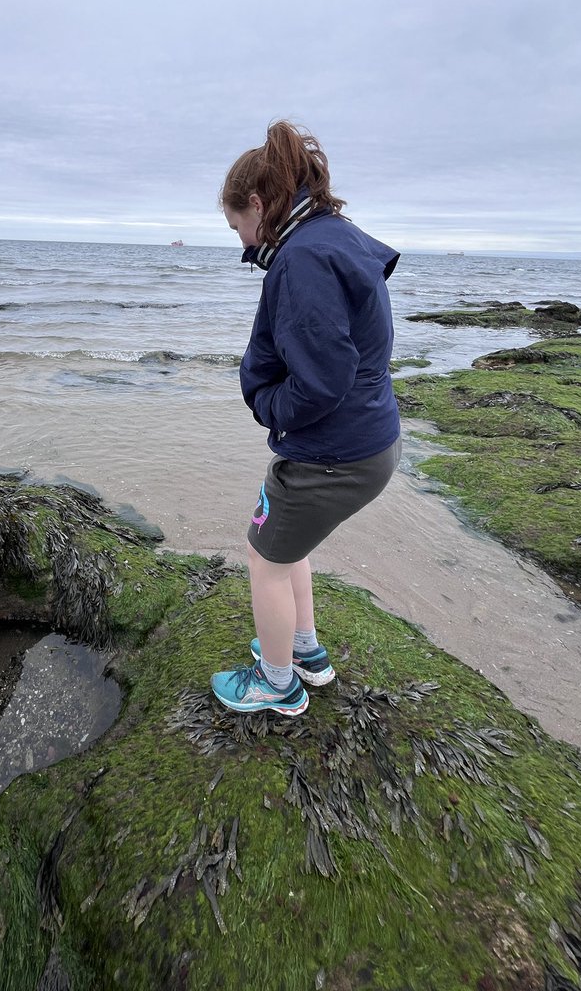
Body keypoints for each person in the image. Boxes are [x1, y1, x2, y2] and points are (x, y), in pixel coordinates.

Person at [210, 120, 402, 716]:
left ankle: (277, 684)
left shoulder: (303, 259)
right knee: (286, 547)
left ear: (257, 204)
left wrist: (272, 410)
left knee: (263, 558)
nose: (243, 243)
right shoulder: (330, 234)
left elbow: (322, 378)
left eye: (237, 226)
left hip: (332, 453)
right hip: (367, 440)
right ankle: (305, 652)